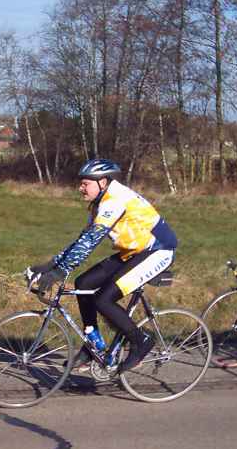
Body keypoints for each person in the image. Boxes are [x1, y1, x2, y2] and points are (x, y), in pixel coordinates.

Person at [29, 158, 177, 373]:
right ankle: (93, 345)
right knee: (84, 283)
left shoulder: (115, 200)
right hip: (133, 251)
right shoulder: (100, 201)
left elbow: (91, 241)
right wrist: (52, 264)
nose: (80, 188)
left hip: (157, 251)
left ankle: (141, 341)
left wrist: (60, 272)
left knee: (103, 299)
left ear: (103, 182)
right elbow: (84, 238)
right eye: (81, 183)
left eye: (85, 183)